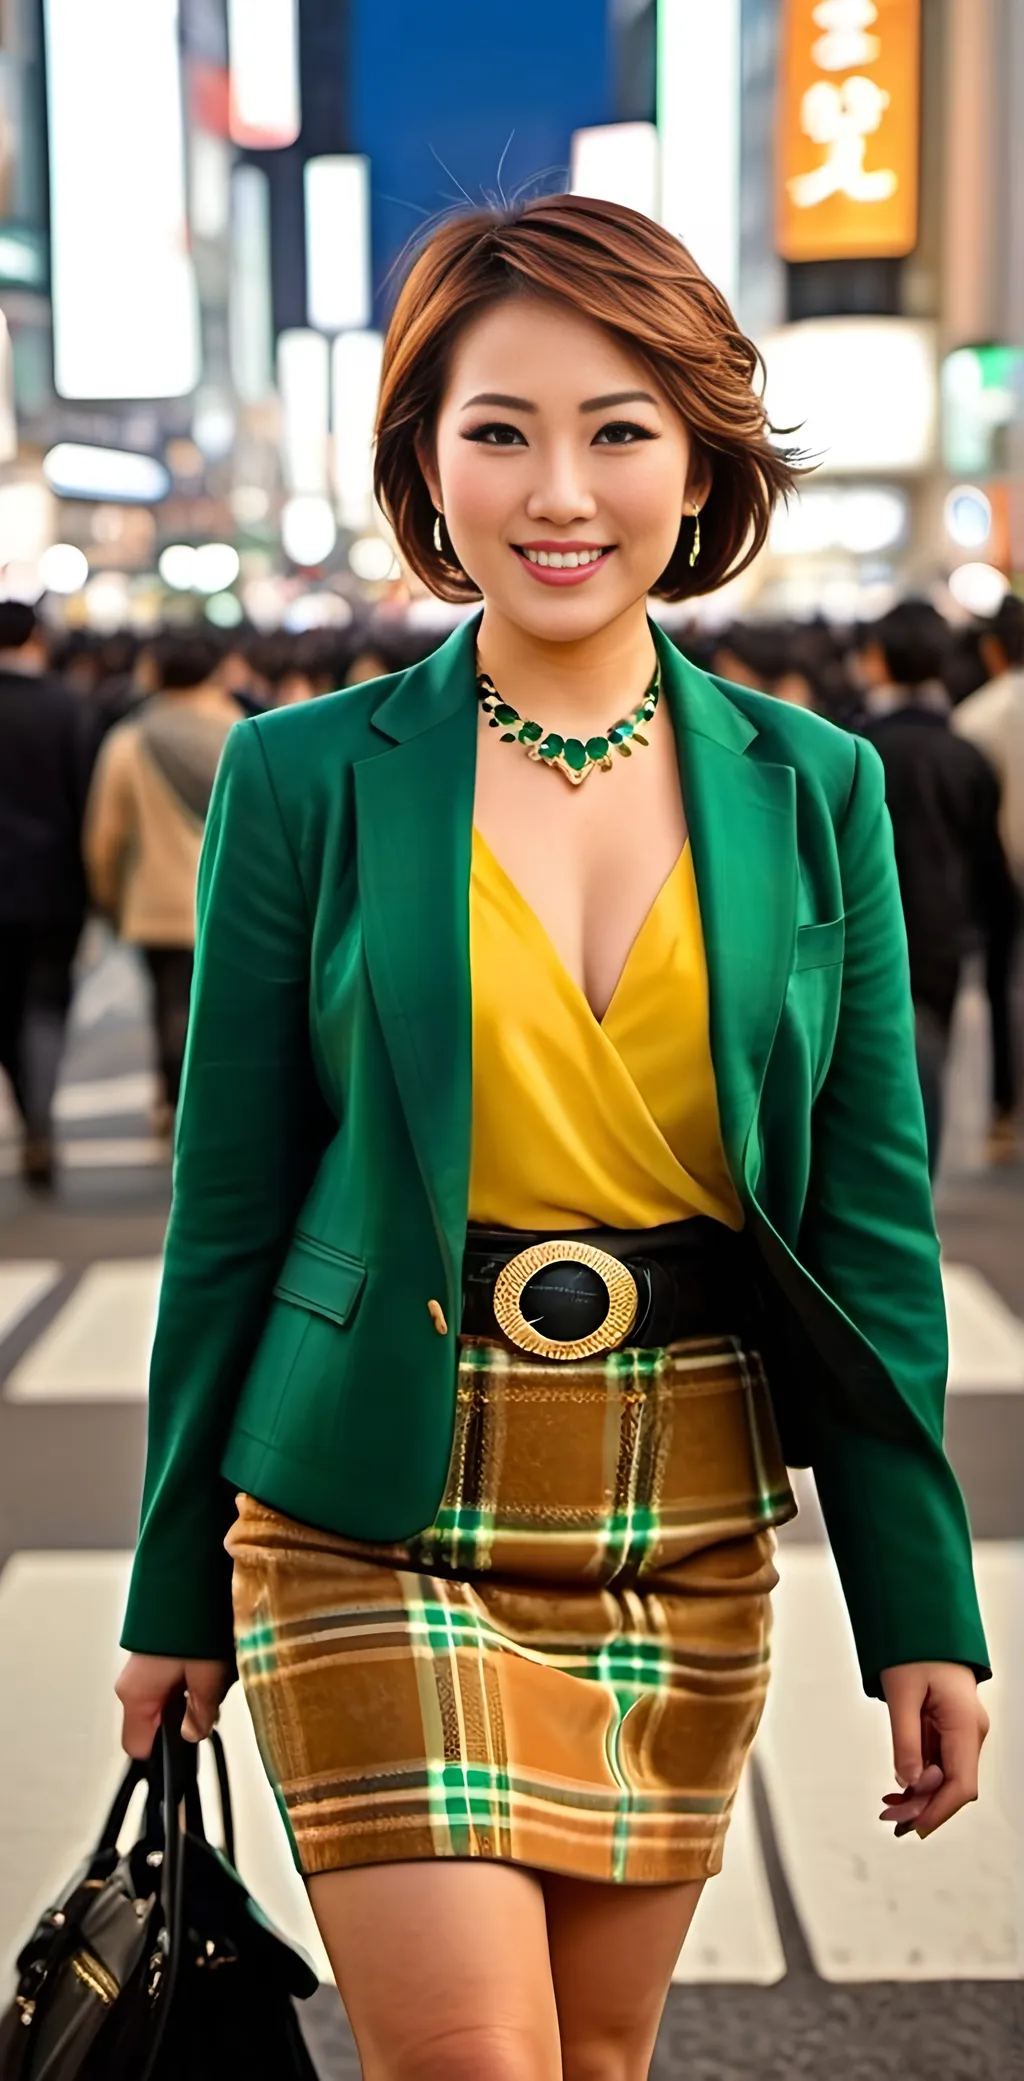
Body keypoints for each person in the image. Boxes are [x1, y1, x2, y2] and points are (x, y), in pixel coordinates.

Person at [115, 197, 990, 2081]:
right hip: (368, 1505)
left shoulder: (812, 782)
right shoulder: (301, 775)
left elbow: (868, 1223)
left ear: (696, 452)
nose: (557, 487)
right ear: (424, 462)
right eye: (496, 428)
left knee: (595, 2063)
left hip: (679, 1515)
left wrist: (920, 1600)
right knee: (476, 2064)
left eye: (615, 426)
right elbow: (228, 1214)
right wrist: (171, 1580)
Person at [856, 600, 1012, 1174]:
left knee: (861, 1085)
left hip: (860, 941)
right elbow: (988, 864)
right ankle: (921, 1199)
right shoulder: (963, 754)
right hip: (942, 940)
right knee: (930, 1072)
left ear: (877, 663)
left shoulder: (845, 749)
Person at [83, 631, 241, 1135]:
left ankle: (175, 1103)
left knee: (171, 1006)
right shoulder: (251, 732)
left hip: (159, 902)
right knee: (233, 1008)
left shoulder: (129, 741)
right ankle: (226, 1104)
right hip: (237, 900)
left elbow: (105, 835)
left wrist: (109, 897)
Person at [0, 601, 96, 1187]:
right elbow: (88, 802)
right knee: (44, 1005)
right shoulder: (68, 708)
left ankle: (28, 1109)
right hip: (53, 888)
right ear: (37, 637)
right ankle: (39, 1117)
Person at [951, 595, 1024, 1158]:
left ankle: (1006, 1110)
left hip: (1004, 876)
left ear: (995, 651)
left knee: (1001, 990)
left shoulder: (977, 715)